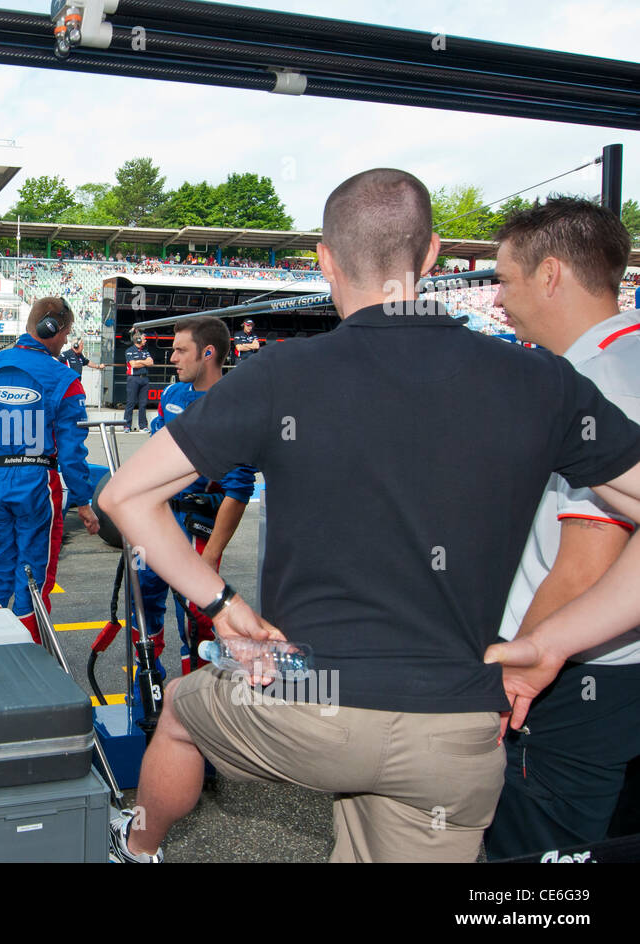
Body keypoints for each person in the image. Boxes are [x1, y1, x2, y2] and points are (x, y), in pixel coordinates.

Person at [100, 168, 640, 863]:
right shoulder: (544, 380)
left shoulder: (280, 374)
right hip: (453, 730)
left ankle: (137, 848)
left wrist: (222, 601)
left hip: (312, 711)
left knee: (180, 708)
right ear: (434, 255)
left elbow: (125, 496)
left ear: (325, 259)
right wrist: (558, 639)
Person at [480, 199, 640, 861]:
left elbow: (582, 567)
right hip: (610, 678)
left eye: (505, 278)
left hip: (572, 684)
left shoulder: (595, 382)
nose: (497, 296)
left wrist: (507, 676)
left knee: (541, 861)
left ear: (550, 276)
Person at [0, 297, 100, 642]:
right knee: (33, 574)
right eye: (66, 334)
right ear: (53, 329)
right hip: (36, 484)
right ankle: (27, 661)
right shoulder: (64, 377)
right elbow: (73, 450)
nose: (64, 341)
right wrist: (85, 500)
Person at [134, 317, 256, 679]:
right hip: (157, 522)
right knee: (144, 602)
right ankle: (148, 684)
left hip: (196, 528)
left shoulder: (233, 407)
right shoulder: (172, 395)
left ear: (208, 353)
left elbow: (238, 489)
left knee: (198, 620)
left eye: (180, 350)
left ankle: (198, 696)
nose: (171, 357)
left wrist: (211, 555)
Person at [123, 330, 154, 432]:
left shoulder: (145, 351)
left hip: (144, 378)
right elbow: (133, 365)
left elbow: (151, 363)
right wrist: (144, 362)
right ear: (139, 339)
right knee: (130, 403)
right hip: (133, 378)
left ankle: (143, 426)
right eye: (144, 339)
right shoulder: (129, 350)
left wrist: (140, 361)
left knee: (143, 403)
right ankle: (127, 425)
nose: (145, 341)